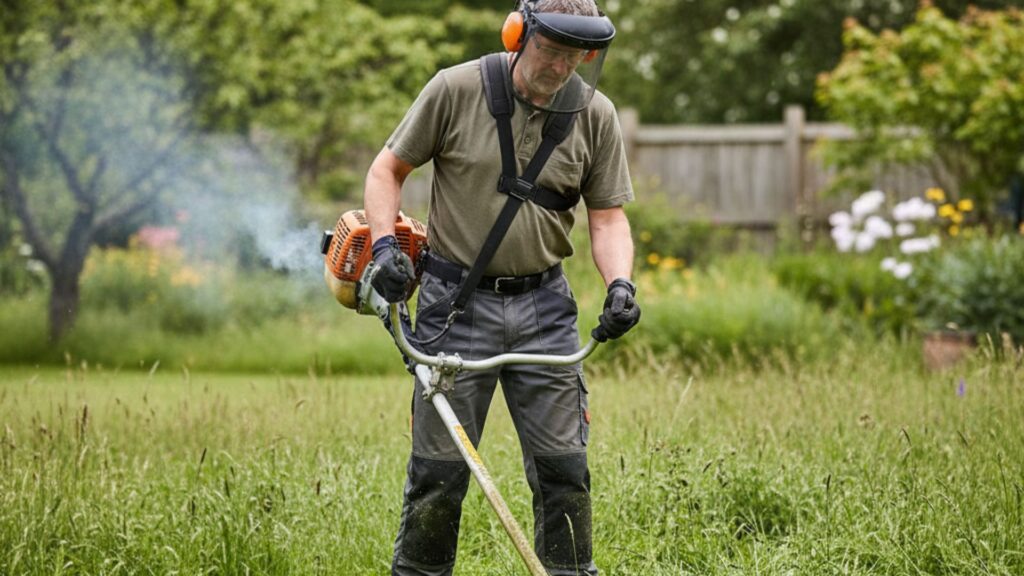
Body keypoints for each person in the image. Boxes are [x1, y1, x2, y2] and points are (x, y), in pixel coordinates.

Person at [363, 1, 639, 574]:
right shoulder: (455, 89)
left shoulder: (596, 114)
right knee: (438, 476)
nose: (562, 68)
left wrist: (620, 285)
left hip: (546, 310)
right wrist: (386, 246)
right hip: (452, 307)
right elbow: (386, 170)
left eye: (576, 56)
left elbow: (607, 216)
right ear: (519, 34)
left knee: (564, 470)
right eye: (551, 50)